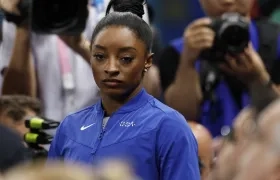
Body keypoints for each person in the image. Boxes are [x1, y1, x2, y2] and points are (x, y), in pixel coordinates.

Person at [48, 0, 200, 179]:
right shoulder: (69, 127)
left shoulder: (169, 126)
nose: (111, 68)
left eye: (126, 58)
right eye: (99, 56)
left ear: (147, 61)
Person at [158, 0, 280, 137]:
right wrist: (188, 62)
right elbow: (182, 118)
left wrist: (258, 77)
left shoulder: (276, 42)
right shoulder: (177, 52)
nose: (227, 1)